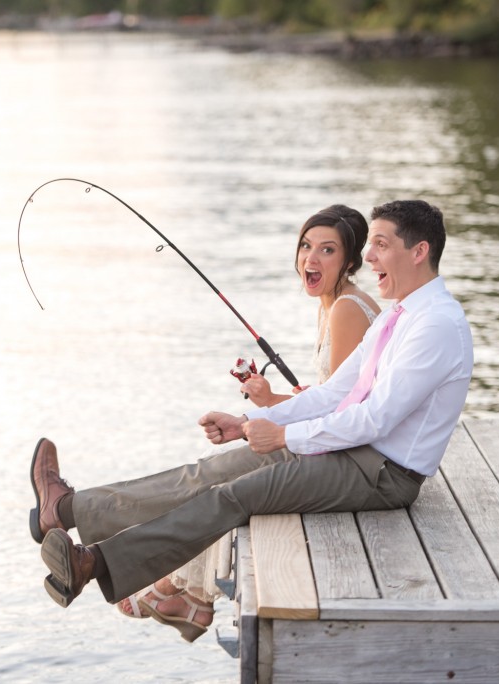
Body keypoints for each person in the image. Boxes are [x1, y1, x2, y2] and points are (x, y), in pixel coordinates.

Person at [29, 199, 473, 643]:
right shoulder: (399, 315)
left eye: (381, 244)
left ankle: (93, 564)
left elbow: (375, 418)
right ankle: (65, 509)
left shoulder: (435, 325)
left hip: (383, 474)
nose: (370, 256)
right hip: (352, 449)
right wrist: (248, 421)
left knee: (237, 495)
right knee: (210, 472)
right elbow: (336, 393)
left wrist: (284, 435)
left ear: (419, 251)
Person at [113, 204, 380, 637]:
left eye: (327, 250)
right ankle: (185, 593)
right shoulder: (333, 303)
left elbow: (343, 409)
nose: (311, 260)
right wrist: (269, 397)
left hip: (350, 453)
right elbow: (335, 393)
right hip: (335, 435)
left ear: (350, 261)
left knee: (233, 482)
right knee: (231, 470)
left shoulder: (347, 309)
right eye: (306, 246)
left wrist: (269, 411)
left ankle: (181, 591)